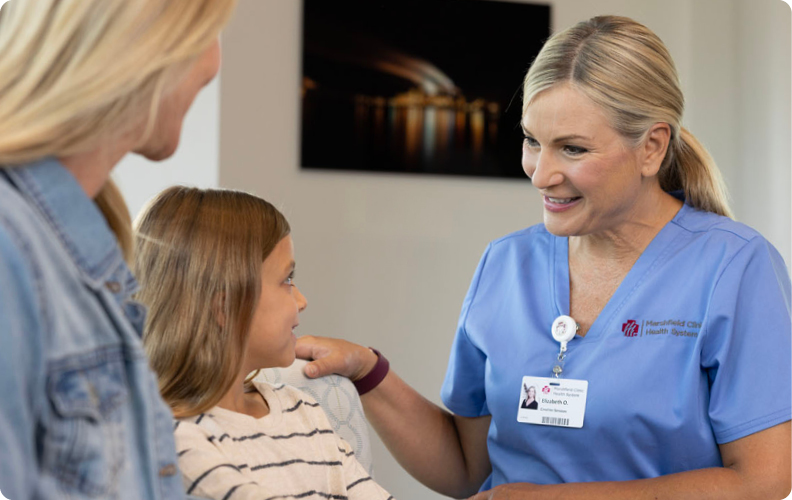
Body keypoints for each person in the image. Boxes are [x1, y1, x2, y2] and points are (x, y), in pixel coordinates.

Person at [295, 15, 791, 499]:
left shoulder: (735, 267)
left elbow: (762, 481)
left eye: (572, 149)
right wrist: (369, 374)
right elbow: (468, 468)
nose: (540, 173)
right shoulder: (505, 263)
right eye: (533, 141)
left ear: (652, 148)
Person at [0, 0, 237, 498]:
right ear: (146, 40)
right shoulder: (13, 248)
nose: (214, 66)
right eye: (207, 35)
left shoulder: (79, 251)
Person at [133, 187, 394, 500]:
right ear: (224, 307)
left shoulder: (302, 409)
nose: (301, 300)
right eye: (286, 280)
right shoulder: (175, 442)